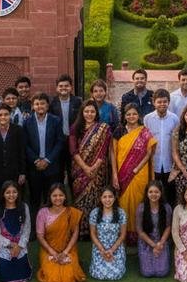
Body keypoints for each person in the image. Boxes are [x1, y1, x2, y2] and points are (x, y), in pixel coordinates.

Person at [69, 100, 115, 230]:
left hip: (98, 171)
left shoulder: (103, 128)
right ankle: (81, 230)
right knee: (80, 199)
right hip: (79, 170)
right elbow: (73, 151)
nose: (89, 114)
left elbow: (103, 151)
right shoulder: (75, 128)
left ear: (96, 113)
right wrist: (85, 168)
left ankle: (94, 229)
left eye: (92, 111)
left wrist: (93, 168)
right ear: (82, 112)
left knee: (96, 199)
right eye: (86, 111)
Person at [115, 103, 155, 242]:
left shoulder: (144, 131)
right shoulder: (119, 131)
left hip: (140, 174)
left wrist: (137, 168)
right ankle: (124, 236)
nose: (131, 117)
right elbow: (113, 155)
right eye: (128, 114)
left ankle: (139, 234)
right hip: (122, 173)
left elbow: (150, 152)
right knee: (124, 203)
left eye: (134, 114)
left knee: (139, 203)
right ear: (124, 116)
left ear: (139, 115)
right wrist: (114, 175)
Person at [35, 184, 85, 282]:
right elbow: (40, 235)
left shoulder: (71, 212)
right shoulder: (43, 213)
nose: (58, 198)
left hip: (68, 249)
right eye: (54, 195)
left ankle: (74, 262)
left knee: (69, 277)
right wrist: (52, 252)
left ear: (65, 196)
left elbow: (75, 234)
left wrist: (65, 252)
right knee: (52, 278)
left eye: (60, 195)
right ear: (50, 197)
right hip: (48, 249)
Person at [23, 92, 65, 217]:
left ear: (47, 106)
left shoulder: (56, 121)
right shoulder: (27, 122)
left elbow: (60, 142)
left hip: (52, 167)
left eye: (42, 103)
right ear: (32, 106)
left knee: (52, 199)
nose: (40, 106)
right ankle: (35, 230)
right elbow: (25, 145)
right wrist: (36, 160)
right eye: (37, 103)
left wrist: (47, 160)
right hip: (34, 167)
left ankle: (51, 228)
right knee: (35, 199)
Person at [0, 181, 32, 282]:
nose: (11, 195)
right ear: (3, 194)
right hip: (4, 246)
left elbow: (27, 229)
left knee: (24, 274)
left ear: (18, 193)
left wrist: (20, 246)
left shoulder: (24, 207)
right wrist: (11, 245)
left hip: (20, 245)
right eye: (8, 192)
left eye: (14, 192)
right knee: (5, 275)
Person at [0, 104, 26, 204]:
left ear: (10, 115)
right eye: (0, 115)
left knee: (16, 200)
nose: (3, 117)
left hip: (14, 173)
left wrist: (22, 173)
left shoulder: (18, 130)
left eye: (6, 114)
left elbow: (22, 152)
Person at [145, 88, 179, 203]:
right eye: (159, 102)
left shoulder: (174, 119)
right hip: (154, 163)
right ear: (154, 102)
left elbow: (177, 141)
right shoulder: (147, 119)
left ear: (168, 102)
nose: (162, 104)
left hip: (169, 163)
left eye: (165, 101)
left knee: (169, 196)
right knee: (153, 195)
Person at [88, 188, 127, 280]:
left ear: (114, 198)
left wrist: (111, 250)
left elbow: (122, 235)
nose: (107, 200)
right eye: (104, 197)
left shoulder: (121, 213)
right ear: (100, 198)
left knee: (116, 274)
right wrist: (102, 250)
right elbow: (93, 234)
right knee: (98, 273)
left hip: (116, 248)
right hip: (100, 248)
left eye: (110, 197)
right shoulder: (94, 213)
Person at [136, 180, 172, 277]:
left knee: (162, 272)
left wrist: (160, 243)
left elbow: (168, 227)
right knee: (147, 273)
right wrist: (153, 245)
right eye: (150, 192)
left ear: (161, 193)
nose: (153, 194)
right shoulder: (141, 208)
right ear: (147, 193)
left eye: (156, 192)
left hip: (161, 241)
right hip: (146, 242)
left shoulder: (166, 207)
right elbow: (140, 231)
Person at [53, 74, 83, 175]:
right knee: (58, 169)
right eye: (61, 86)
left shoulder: (78, 102)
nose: (63, 88)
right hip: (58, 140)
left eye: (66, 85)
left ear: (71, 87)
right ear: (57, 88)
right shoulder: (52, 103)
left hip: (74, 139)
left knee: (73, 169)